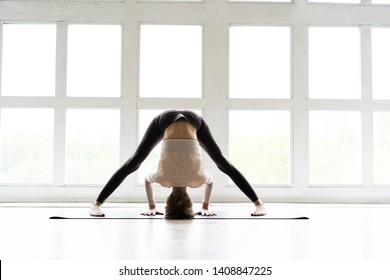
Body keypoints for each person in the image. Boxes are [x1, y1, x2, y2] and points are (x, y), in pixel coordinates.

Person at [89, 109, 266, 218]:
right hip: (166, 120)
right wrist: (152, 206)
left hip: (194, 121)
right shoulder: (163, 180)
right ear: (168, 201)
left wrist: (204, 205)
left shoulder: (197, 181)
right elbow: (147, 180)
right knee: (223, 164)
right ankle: (258, 203)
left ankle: (258, 203)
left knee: (133, 163)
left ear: (190, 201)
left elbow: (210, 182)